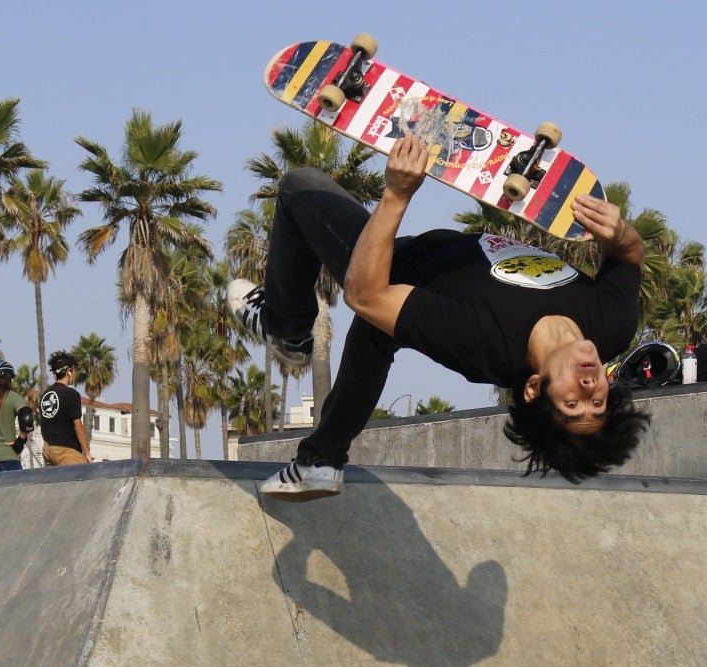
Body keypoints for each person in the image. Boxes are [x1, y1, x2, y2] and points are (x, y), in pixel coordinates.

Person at [229, 135, 650, 501]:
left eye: (572, 401)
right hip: (409, 275)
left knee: (300, 187)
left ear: (535, 388)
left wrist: (396, 194)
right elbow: (629, 256)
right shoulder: (612, 322)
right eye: (597, 400)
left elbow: (366, 294)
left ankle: (287, 331)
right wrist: (620, 233)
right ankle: (321, 457)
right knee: (375, 336)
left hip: (383, 266)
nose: (590, 385)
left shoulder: (486, 342)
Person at [36, 350, 92, 466]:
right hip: (66, 451)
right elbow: (78, 427)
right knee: (82, 480)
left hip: (48, 449)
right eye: (75, 371)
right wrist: (87, 452)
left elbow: (45, 424)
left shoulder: (45, 394)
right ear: (69, 371)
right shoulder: (71, 394)